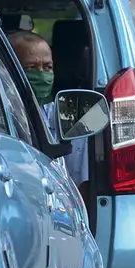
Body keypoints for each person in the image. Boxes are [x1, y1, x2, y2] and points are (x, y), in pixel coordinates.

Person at [7, 30, 89, 193]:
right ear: (10, 69)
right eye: (32, 67)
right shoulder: (2, 112)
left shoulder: (66, 115)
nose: (42, 75)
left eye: (48, 67)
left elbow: (82, 184)